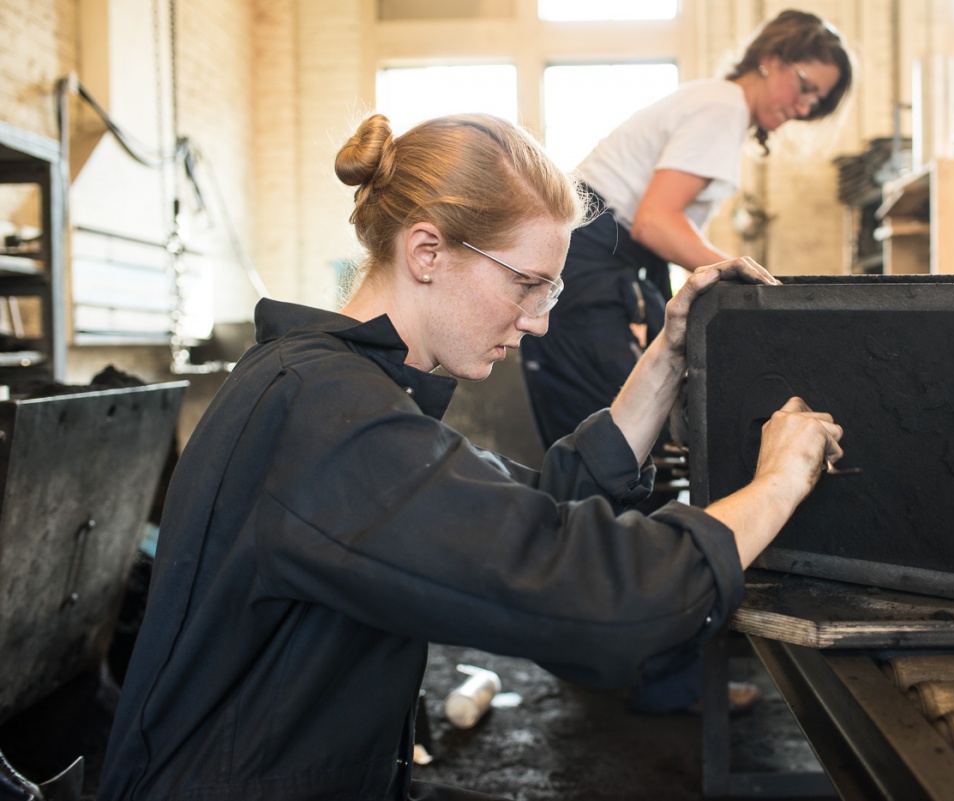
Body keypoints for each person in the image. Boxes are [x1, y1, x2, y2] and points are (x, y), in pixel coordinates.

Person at [96, 111, 843, 801]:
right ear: (427, 251)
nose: (539, 322)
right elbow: (595, 598)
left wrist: (667, 357)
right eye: (527, 285)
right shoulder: (327, 416)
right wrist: (780, 480)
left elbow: (530, 513)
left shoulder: (328, 385)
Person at [518, 8, 853, 715]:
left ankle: (615, 657)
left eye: (816, 101)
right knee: (608, 476)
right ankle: (649, 675)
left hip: (604, 273)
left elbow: (656, 227)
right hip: (590, 275)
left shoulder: (713, 105)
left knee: (610, 470)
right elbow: (655, 223)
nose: (803, 105)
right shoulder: (721, 105)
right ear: (769, 59)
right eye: (802, 84)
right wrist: (745, 275)